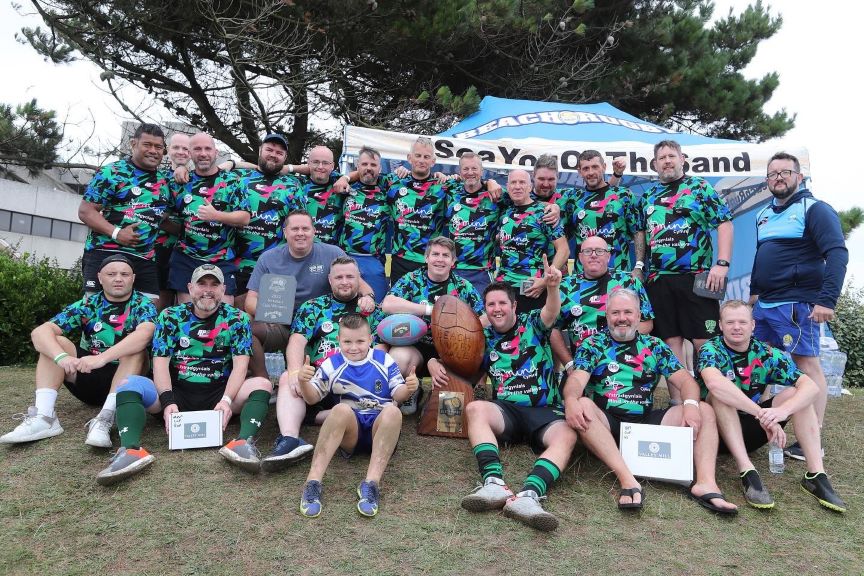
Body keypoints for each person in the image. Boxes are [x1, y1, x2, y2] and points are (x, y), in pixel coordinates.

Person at [562, 289, 738, 514]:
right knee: (583, 404)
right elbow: (577, 380)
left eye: (628, 312)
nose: (622, 318)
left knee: (704, 409)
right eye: (615, 312)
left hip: (644, 422)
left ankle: (705, 484)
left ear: (638, 316)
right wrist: (570, 399)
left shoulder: (654, 346)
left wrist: (691, 406)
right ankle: (628, 480)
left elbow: (686, 381)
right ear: (607, 316)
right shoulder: (592, 344)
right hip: (607, 422)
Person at [95, 264, 273, 485]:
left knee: (262, 384)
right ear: (190, 288)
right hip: (176, 392)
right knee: (129, 384)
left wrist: (227, 401)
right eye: (201, 284)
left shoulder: (238, 319)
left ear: (223, 290)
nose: (207, 290)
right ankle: (130, 450)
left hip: (220, 394)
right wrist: (168, 401)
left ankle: (242, 443)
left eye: (214, 284)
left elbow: (240, 366)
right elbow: (160, 364)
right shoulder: (170, 316)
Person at [457, 258, 577, 532]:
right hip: (507, 411)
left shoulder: (533, 322)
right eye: (491, 305)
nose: (497, 309)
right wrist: (433, 364)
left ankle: (529, 496)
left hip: (544, 412)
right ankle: (493, 484)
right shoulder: (482, 338)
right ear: (485, 309)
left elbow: (551, 310)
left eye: (502, 303)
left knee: (568, 434)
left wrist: (553, 287)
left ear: (514, 306)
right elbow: (459, 362)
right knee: (476, 409)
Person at [698, 300, 846, 512]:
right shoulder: (710, 349)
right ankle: (747, 470)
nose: (736, 327)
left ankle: (815, 475)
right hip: (716, 433)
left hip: (752, 429)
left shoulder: (766, 353)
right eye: (730, 322)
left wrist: (782, 412)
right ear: (721, 325)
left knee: (798, 394)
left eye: (742, 322)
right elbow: (714, 383)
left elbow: (811, 387)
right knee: (719, 394)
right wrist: (761, 414)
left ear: (753, 325)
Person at [749, 152, 849, 461]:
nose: (778, 177)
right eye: (773, 173)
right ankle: (756, 425)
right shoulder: (762, 213)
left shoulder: (815, 209)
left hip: (797, 303)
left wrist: (827, 300)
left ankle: (812, 439)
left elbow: (837, 254)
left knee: (807, 366)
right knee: (760, 362)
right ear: (767, 181)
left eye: (785, 172)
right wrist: (753, 293)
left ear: (799, 176)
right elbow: (761, 255)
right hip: (764, 304)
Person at [0, 254, 156, 448]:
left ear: (133, 278)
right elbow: (40, 333)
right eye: (111, 274)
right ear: (100, 277)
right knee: (57, 341)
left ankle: (104, 419)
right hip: (86, 377)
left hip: (125, 383)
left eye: (124, 274)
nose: (118, 278)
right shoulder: (88, 304)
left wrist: (102, 358)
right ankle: (44, 417)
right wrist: (62, 357)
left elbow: (146, 333)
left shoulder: (143, 305)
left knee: (136, 351)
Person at [261, 256, 385, 472]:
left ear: (359, 279)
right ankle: (290, 440)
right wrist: (294, 372)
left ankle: (321, 418)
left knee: (370, 404)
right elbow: (297, 341)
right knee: (286, 378)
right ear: (330, 279)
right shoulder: (313, 307)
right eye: (339, 277)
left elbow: (382, 349)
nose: (344, 281)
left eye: (350, 276)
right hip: (321, 378)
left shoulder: (372, 310)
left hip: (357, 380)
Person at [298, 313, 419, 518]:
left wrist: (409, 389)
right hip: (350, 434)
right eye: (347, 342)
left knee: (393, 411)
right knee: (341, 410)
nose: (354, 347)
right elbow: (311, 399)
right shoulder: (331, 364)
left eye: (360, 341)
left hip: (379, 431)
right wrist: (303, 382)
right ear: (339, 340)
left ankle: (371, 485)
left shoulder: (384, 360)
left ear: (370, 339)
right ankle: (313, 483)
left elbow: (398, 394)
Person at [642, 139, 733, 400]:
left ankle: (712, 400)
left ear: (682, 159)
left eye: (672, 156)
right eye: (662, 157)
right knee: (670, 342)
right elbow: (641, 234)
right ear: (655, 164)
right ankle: (678, 403)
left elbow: (724, 223)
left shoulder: (699, 187)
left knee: (704, 342)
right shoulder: (649, 196)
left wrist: (722, 264)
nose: (667, 161)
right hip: (659, 279)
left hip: (697, 277)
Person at [244, 211, 375, 379]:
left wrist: (368, 298)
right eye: (295, 229)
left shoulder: (332, 253)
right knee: (246, 329)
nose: (300, 233)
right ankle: (263, 380)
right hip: (283, 325)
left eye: (305, 228)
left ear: (314, 231)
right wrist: (277, 313)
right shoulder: (268, 259)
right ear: (285, 232)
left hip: (322, 323)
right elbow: (250, 301)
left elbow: (361, 285)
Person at [382, 236, 484, 413]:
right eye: (435, 254)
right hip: (417, 345)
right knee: (398, 357)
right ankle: (411, 390)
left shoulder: (462, 286)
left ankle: (454, 393)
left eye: (445, 255)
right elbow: (388, 304)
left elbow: (484, 318)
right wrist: (430, 310)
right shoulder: (413, 279)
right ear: (426, 258)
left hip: (450, 349)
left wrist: (461, 328)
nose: (440, 259)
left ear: (453, 261)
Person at [78, 123, 171, 300]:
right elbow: (85, 211)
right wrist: (116, 233)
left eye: (158, 147)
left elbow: (165, 219)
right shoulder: (111, 172)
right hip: (105, 252)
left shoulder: (165, 182)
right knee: (97, 315)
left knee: (148, 316)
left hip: (144, 259)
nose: (153, 150)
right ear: (133, 144)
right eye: (147, 145)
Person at [167, 132, 251, 304]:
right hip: (186, 258)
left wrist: (216, 216)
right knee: (189, 314)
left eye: (207, 149)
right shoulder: (181, 181)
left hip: (221, 258)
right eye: (197, 149)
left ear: (216, 152)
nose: (203, 153)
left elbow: (244, 218)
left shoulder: (233, 182)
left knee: (222, 315)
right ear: (190, 153)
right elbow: (163, 215)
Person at [551, 236, 653, 372]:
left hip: (623, 360)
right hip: (582, 364)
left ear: (608, 256)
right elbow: (552, 329)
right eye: (587, 251)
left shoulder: (629, 282)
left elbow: (647, 322)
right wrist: (569, 364)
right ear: (580, 258)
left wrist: (616, 339)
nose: (593, 255)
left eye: (599, 251)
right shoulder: (565, 286)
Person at [232, 133, 307, 312]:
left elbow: (299, 223)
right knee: (237, 316)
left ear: (285, 157)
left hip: (277, 266)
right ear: (260, 150)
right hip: (239, 263)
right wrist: (231, 162)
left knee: (273, 318)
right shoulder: (239, 178)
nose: (274, 154)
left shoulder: (293, 185)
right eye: (269, 150)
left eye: (279, 152)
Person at [495, 169, 569, 312]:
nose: (517, 186)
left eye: (522, 182)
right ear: (507, 187)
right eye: (513, 183)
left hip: (532, 287)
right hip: (503, 286)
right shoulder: (505, 211)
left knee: (533, 332)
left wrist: (545, 281)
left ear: (530, 187)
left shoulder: (544, 213)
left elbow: (564, 249)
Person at [386, 136, 458, 284]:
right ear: (409, 158)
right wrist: (346, 179)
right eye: (418, 156)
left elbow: (472, 185)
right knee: (400, 306)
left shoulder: (443, 187)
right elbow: (366, 177)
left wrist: (491, 182)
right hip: (401, 259)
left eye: (426, 157)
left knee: (429, 306)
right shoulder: (395, 183)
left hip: (430, 261)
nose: (421, 160)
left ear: (433, 161)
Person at [572, 150, 646, 276]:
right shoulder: (572, 199)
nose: (591, 172)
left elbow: (638, 230)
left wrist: (639, 265)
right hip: (583, 277)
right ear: (580, 172)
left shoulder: (624, 195)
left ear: (604, 167)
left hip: (619, 274)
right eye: (586, 168)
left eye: (595, 167)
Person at [340, 146, 399, 302]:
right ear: (357, 166)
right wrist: (345, 178)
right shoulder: (346, 187)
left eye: (373, 165)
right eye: (365, 164)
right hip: (345, 259)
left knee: (376, 307)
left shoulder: (388, 189)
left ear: (380, 168)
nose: (368, 168)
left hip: (374, 261)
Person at [444, 152, 506, 296]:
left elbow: (526, 202)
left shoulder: (495, 194)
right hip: (454, 270)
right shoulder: (451, 191)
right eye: (465, 169)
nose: (470, 173)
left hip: (483, 272)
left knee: (480, 316)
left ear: (482, 171)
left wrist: (553, 207)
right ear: (460, 172)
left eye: (474, 169)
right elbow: (424, 179)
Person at [154, 132, 191, 310]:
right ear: (168, 150)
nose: (181, 152)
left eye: (186, 148)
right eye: (176, 147)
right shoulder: (159, 178)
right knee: (162, 303)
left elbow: (235, 165)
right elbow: (157, 218)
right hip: (162, 249)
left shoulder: (200, 178)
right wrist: (185, 231)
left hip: (191, 253)